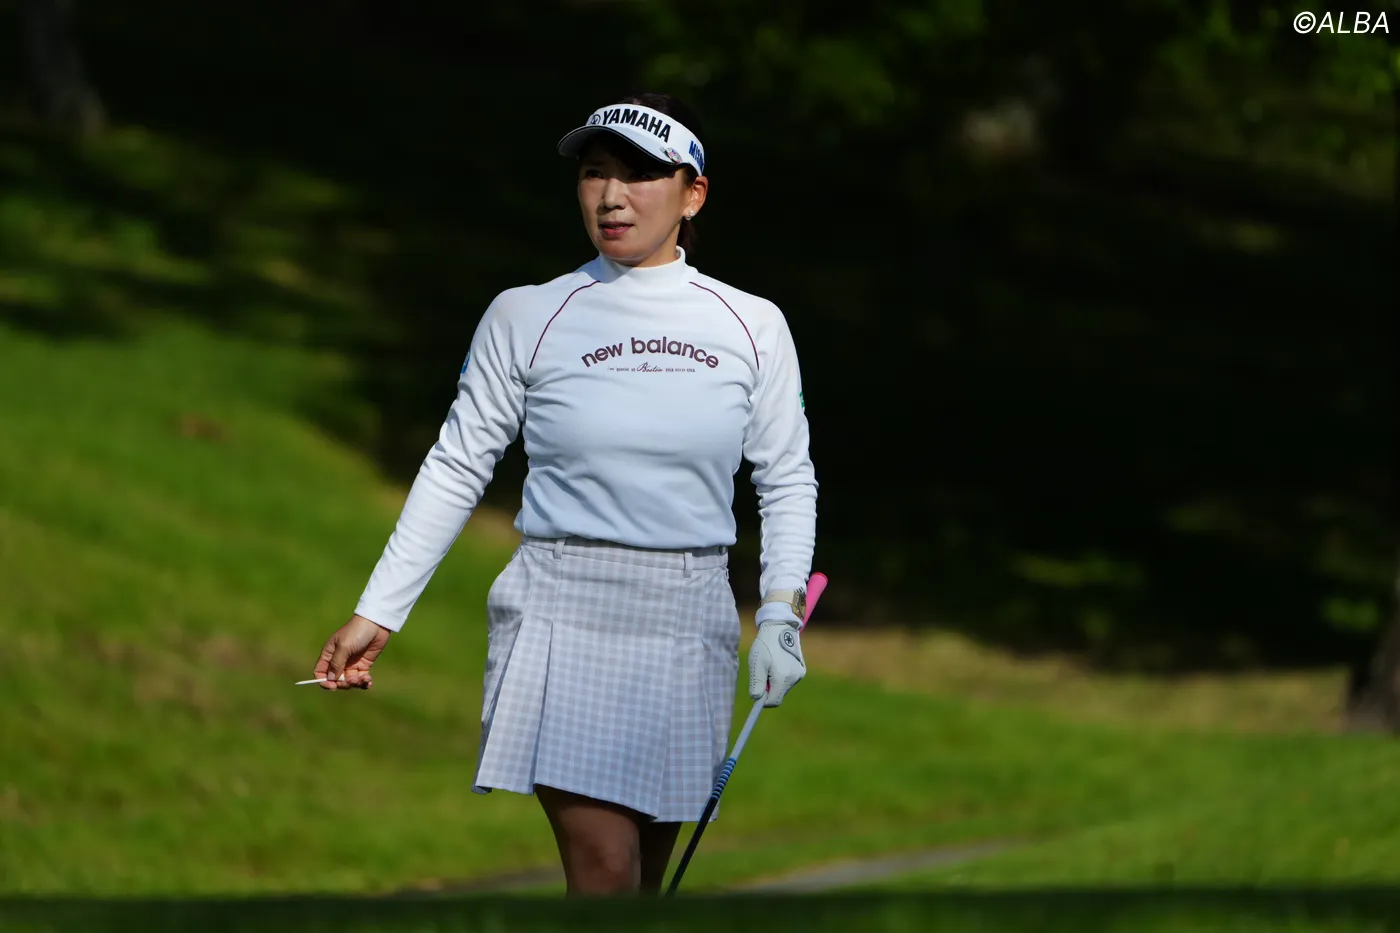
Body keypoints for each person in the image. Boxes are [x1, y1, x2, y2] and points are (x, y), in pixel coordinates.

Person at [309, 91, 819, 897]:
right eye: (594, 173)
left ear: (692, 194)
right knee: (605, 870)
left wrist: (782, 612)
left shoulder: (752, 324)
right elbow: (457, 463)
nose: (611, 196)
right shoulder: (527, 313)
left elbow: (785, 476)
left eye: (639, 175)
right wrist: (380, 609)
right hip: (561, 605)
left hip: (689, 617)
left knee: (640, 884)